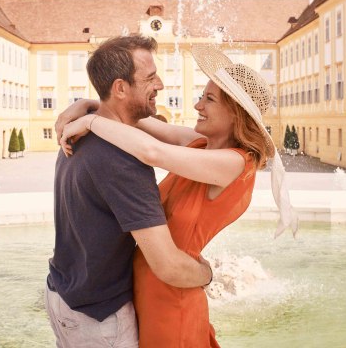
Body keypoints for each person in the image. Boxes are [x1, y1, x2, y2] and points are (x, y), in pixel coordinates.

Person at [58, 45, 297, 347]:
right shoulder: (200, 145)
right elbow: (139, 119)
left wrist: (91, 121)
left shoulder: (235, 164)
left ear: (235, 113)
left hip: (172, 295)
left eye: (209, 99)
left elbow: (151, 151)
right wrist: (89, 104)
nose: (198, 106)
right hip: (148, 287)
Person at [46, 35, 213, 348]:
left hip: (62, 293)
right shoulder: (123, 160)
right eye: (150, 78)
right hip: (99, 317)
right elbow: (168, 265)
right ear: (120, 88)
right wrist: (207, 274)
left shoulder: (79, 132)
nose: (161, 84)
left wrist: (87, 105)